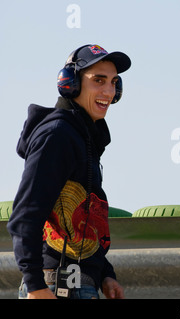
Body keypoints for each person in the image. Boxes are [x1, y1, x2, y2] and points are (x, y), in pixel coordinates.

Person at [7, 44, 131, 299]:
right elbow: (25, 216)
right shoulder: (58, 135)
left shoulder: (82, 137)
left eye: (113, 83)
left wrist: (104, 272)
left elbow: (83, 224)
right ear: (70, 83)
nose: (108, 91)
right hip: (53, 286)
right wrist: (36, 286)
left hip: (79, 284)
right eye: (98, 80)